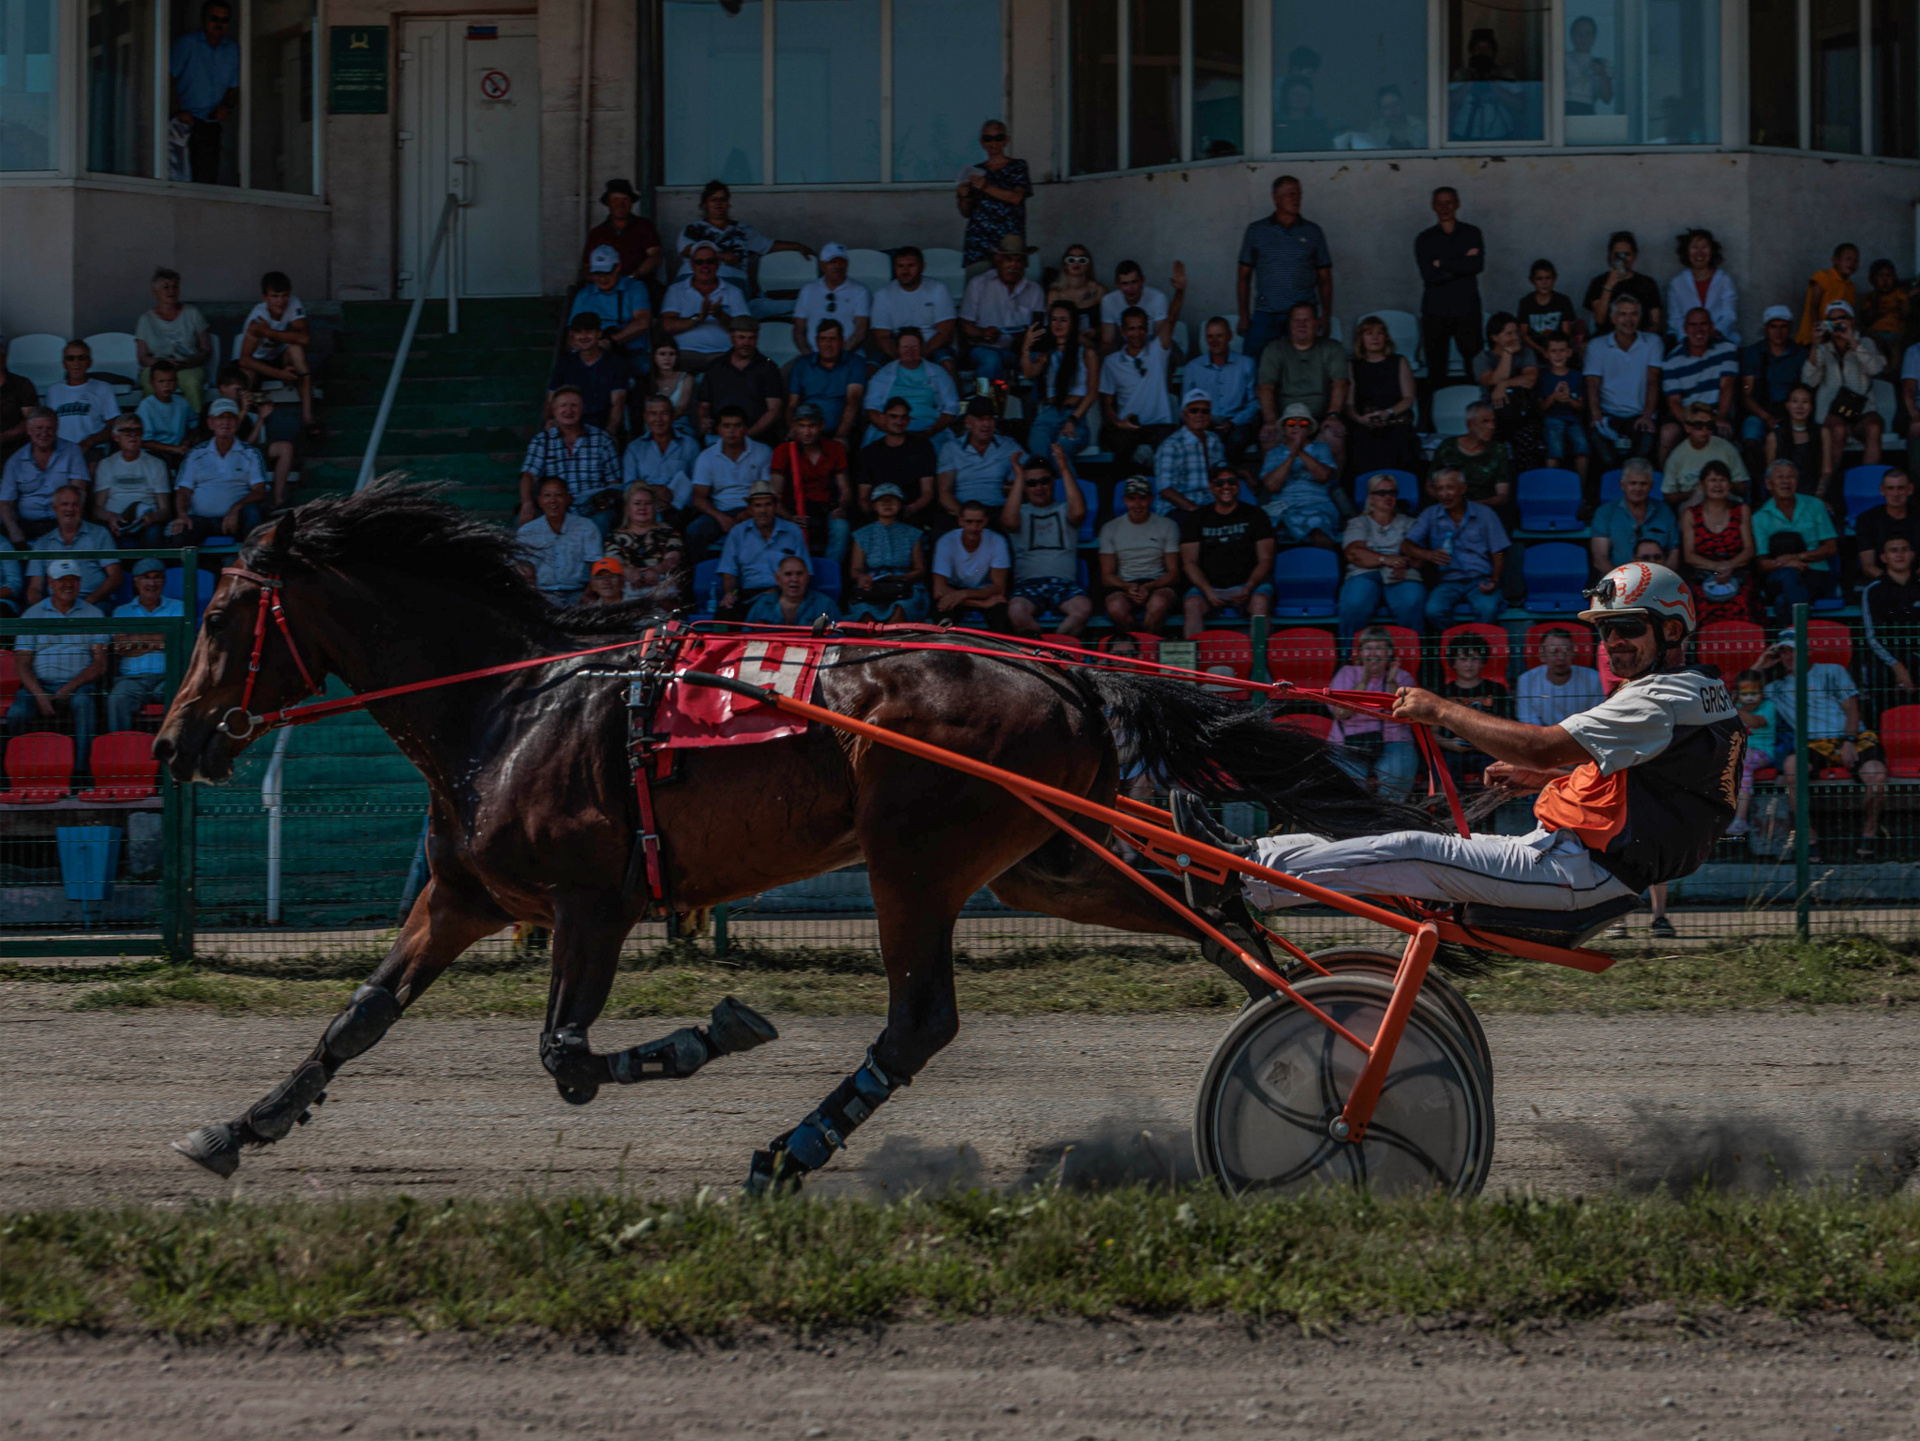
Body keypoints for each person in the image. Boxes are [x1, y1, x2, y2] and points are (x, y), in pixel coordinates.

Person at [1171, 562, 1743, 924]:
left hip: (1580, 872)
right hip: (1574, 857)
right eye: (1605, 629)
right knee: (1389, 840)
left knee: (1413, 850)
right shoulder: (1697, 692)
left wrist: (1440, 709)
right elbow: (1654, 784)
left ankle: (1241, 877)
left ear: (1672, 630)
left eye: (1627, 627)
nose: (1613, 641)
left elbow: (1543, 745)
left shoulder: (1660, 698)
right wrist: (1545, 781)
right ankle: (1245, 855)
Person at [1762, 632, 1888, 860]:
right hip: (1814, 743)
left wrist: (1849, 740)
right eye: (1783, 652)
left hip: (1852, 737)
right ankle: (1807, 835)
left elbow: (1852, 709)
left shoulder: (1832, 671)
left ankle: (1870, 830)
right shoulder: (1775, 687)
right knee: (1791, 768)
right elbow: (1738, 697)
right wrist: (1760, 665)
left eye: (1794, 650)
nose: (1789, 656)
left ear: (1808, 652)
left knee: (1877, 776)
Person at [7, 559, 109, 767]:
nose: (68, 585)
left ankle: (82, 772)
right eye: (62, 580)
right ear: (50, 583)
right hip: (40, 685)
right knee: (17, 713)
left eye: (73, 579)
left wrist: (68, 688)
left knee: (85, 704)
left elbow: (100, 663)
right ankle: (19, 771)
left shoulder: (93, 614)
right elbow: (22, 664)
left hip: (79, 687)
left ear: (80, 583)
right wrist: (39, 694)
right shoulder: (32, 614)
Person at [1237, 175, 1333, 356]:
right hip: (1266, 314)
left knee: (1303, 365)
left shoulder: (1313, 232)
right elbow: (1243, 277)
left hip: (1302, 317)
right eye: (1291, 194)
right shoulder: (1256, 231)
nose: (1297, 199)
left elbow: (1325, 279)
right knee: (1256, 362)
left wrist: (1325, 316)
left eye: (1299, 194)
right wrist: (1244, 316)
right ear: (1276, 197)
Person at [1100, 269, 1188, 461]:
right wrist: (1118, 422)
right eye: (1131, 329)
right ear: (1123, 332)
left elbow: (1171, 318)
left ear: (1147, 329)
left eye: (1141, 328)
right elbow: (1107, 404)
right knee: (1121, 456)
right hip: (1128, 427)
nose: (1137, 333)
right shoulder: (1111, 362)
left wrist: (1180, 291)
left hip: (1159, 425)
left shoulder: (1158, 351)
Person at [674, 179, 812, 301]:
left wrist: (798, 246)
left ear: (728, 203)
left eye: (723, 199)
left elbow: (768, 246)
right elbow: (687, 250)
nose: (718, 204)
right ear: (705, 204)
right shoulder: (693, 228)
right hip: (694, 278)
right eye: (713, 200)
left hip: (732, 280)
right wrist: (720, 256)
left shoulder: (743, 230)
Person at [1002, 450, 1091, 636]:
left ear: (1053, 482)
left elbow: (1079, 512)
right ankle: (1044, 648)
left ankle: (1054, 647)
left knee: (1082, 608)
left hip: (1063, 584)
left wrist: (1063, 468)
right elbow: (1008, 521)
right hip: (1027, 585)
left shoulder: (1066, 509)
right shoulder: (1019, 512)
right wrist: (1019, 477)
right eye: (1031, 483)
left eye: (1044, 481)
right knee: (1016, 611)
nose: (1039, 487)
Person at [1405, 467, 1510, 625]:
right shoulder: (1430, 514)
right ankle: (1457, 639)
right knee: (1433, 610)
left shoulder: (1485, 513)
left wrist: (1494, 579)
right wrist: (1429, 555)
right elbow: (1406, 545)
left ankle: (1477, 640)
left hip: (1479, 579)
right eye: (1440, 489)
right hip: (1448, 581)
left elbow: (1498, 552)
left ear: (1462, 488)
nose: (1444, 494)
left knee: (1487, 608)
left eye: (1450, 488)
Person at [1179, 467, 1276, 637]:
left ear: (1238, 485)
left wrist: (1249, 587)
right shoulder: (1197, 517)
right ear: (1211, 487)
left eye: (1231, 482)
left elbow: (1266, 559)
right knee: (1192, 604)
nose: (1226, 487)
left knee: (1260, 602)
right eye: (1219, 483)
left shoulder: (1256, 515)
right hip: (1209, 587)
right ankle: (1193, 654)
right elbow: (1189, 562)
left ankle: (1258, 653)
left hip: (1249, 585)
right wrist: (1207, 591)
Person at [1327, 628, 1420, 802]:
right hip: (1348, 742)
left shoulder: (1402, 677)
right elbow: (1340, 713)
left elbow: (1405, 711)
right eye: (1368, 648)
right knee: (1349, 785)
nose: (1373, 654)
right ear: (1360, 653)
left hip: (1393, 741)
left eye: (1379, 648)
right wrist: (1363, 682)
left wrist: (1391, 682)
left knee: (1395, 776)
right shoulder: (1346, 673)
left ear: (1389, 653)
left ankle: (1388, 815)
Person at [1415, 187, 1486, 413]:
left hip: (1467, 309)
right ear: (1433, 206)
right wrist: (1461, 263)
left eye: (1449, 202)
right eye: (1439, 203)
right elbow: (1430, 275)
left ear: (1457, 204)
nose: (1444, 207)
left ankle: (1479, 414)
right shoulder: (1425, 238)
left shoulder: (1471, 233)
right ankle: (1435, 418)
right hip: (1435, 311)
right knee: (1436, 369)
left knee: (1475, 366)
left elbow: (1476, 265)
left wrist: (1443, 262)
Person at [1801, 299, 1885, 488]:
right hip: (1832, 411)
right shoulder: (1823, 347)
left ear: (1852, 321)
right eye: (1833, 320)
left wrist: (1853, 342)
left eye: (1842, 318)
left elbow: (1875, 368)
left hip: (1862, 410)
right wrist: (1814, 346)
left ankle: (1868, 486)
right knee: (1837, 430)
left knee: (1874, 427)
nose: (1838, 323)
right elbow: (1809, 380)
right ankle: (1827, 488)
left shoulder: (1865, 343)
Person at [1256, 300, 1350, 467]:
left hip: (1321, 418)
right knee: (1269, 437)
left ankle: (1333, 483)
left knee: (1335, 435)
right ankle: (1275, 484)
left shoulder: (1333, 348)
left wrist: (1333, 415)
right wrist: (1271, 421)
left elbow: (1340, 383)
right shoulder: (1274, 349)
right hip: (1285, 420)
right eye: (1296, 320)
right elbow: (1265, 387)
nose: (1301, 324)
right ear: (1289, 324)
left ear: (1316, 323)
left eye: (1307, 319)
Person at [516, 387, 621, 530]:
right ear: (553, 410)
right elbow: (529, 475)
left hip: (592, 510)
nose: (568, 410)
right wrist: (527, 503)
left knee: (604, 519)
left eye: (574, 405)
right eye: (563, 406)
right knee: (524, 521)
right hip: (554, 509)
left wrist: (607, 499)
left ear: (582, 409)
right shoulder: (542, 441)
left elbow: (614, 482)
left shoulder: (602, 439)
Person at [1751, 459, 1840, 625]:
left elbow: (1830, 548)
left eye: (1790, 477)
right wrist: (1787, 564)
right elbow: (1762, 564)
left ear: (1797, 482)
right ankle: (1800, 634)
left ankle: (1790, 636)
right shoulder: (1759, 517)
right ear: (1769, 484)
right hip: (1778, 576)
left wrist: (1797, 557)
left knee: (1782, 601)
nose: (1786, 481)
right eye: (1780, 477)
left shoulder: (1815, 505)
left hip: (1814, 574)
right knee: (1789, 575)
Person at [1337, 471, 1424, 639]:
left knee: (1411, 602)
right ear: (1370, 497)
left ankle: (1411, 655)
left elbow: (1419, 558)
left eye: (1392, 492)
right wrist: (1386, 559)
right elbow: (1354, 553)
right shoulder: (1359, 522)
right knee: (1354, 605)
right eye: (1381, 493)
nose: (1388, 497)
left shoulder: (1409, 523)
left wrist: (1404, 563)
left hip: (1402, 573)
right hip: (1364, 573)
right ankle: (1350, 654)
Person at [168, 398, 264, 541]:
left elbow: (259, 490)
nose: (226, 422)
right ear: (211, 423)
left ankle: (250, 555)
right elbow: (183, 490)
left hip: (236, 520)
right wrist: (182, 515)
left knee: (252, 513)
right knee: (180, 531)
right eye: (220, 417)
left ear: (237, 423)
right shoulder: (195, 454)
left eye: (230, 418)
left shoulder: (251, 454)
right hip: (201, 519)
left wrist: (236, 508)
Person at [1584, 294, 1663, 468]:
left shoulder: (1652, 342)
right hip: (1609, 415)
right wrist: (1596, 417)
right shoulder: (1597, 345)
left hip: (1640, 415)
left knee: (1640, 461)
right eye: (1622, 314)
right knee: (1607, 461)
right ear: (1612, 318)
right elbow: (1592, 383)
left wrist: (1647, 416)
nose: (1628, 320)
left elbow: (1653, 380)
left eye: (1634, 314)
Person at [769, 403, 852, 563]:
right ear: (795, 426)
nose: (806, 432)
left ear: (821, 426)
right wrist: (790, 517)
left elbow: (845, 489)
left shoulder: (835, 449)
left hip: (825, 507)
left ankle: (830, 569)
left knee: (841, 528)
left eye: (812, 426)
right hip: (794, 510)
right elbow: (775, 494)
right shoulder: (783, 450)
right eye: (801, 426)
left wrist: (841, 507)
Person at [107, 559, 183, 731]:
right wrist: (161, 641)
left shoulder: (178, 607)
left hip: (168, 677)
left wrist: (135, 640)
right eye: (146, 578)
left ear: (164, 580)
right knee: (117, 698)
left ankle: (174, 745)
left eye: (157, 577)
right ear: (136, 581)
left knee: (179, 696)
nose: (152, 583)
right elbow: (121, 646)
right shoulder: (122, 611)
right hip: (132, 679)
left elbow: (178, 642)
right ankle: (120, 746)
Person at [686, 406, 773, 555]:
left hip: (755, 509)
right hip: (720, 510)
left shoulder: (762, 451)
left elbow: (767, 491)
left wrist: (748, 512)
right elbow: (698, 497)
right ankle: (700, 570)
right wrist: (721, 518)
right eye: (726, 426)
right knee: (693, 531)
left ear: (745, 428)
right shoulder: (707, 457)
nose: (732, 431)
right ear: (718, 429)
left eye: (737, 425)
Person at [1098, 475, 1182, 631]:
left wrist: (1149, 587)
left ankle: (1146, 642)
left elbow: (1173, 573)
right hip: (1125, 583)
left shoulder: (1168, 526)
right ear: (1125, 500)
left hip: (1157, 582)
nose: (1137, 504)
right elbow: (1107, 576)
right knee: (1115, 607)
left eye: (1142, 498)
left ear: (1150, 499)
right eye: (1132, 498)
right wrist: (1127, 587)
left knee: (1158, 603)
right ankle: (1134, 640)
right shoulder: (1110, 528)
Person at [959, 234, 1046, 384]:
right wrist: (983, 333)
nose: (1014, 265)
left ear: (1025, 263)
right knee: (991, 360)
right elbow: (965, 325)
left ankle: (1040, 400)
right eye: (1009, 259)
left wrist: (1025, 337)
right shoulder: (979, 284)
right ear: (998, 260)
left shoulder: (1035, 290)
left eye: (1019, 260)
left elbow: (1040, 330)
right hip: (985, 348)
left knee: (1042, 359)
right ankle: (986, 398)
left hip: (1020, 351)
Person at [236, 272, 317, 431]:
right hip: (256, 363)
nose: (281, 301)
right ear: (264, 297)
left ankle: (308, 418)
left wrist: (268, 332)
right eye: (275, 296)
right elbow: (245, 360)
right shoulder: (257, 318)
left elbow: (304, 338)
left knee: (296, 350)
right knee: (246, 375)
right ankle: (243, 423)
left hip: (278, 358)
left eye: (284, 295)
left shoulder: (293, 303)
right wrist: (279, 374)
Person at [1343, 315, 1422, 476]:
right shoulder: (1353, 365)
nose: (1375, 337)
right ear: (1361, 339)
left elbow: (1408, 399)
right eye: (1369, 333)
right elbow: (1349, 404)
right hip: (1365, 422)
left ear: (1386, 337)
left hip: (1395, 419)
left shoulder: (1399, 361)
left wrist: (1388, 412)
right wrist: (1359, 419)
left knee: (1400, 441)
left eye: (1380, 333)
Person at [1020, 301, 1100, 460]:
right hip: (1048, 414)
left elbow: (1092, 393)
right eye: (1054, 319)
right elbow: (1029, 373)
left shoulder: (1086, 353)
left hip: (1074, 414)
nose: (1057, 324)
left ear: (1072, 323)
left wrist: (1072, 420)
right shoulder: (1047, 354)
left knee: (1059, 454)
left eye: (1063, 320)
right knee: (1038, 456)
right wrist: (1026, 347)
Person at [714, 481, 806, 618]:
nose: (763, 510)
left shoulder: (793, 531)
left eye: (768, 504)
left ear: (776, 506)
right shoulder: (737, 532)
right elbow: (729, 570)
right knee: (724, 614)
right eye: (758, 505)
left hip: (783, 592)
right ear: (750, 509)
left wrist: (783, 590)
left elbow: (804, 570)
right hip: (749, 594)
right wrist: (729, 594)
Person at [170, 0, 238, 184]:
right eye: (214, 18)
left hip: (210, 123)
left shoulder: (232, 50)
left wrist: (226, 107)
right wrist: (177, 111)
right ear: (203, 19)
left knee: (207, 180)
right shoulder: (187, 44)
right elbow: (167, 78)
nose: (219, 24)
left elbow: (234, 86)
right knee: (179, 180)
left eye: (224, 20)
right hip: (183, 123)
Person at [1681, 460, 1757, 625]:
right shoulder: (1690, 514)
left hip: (1736, 573)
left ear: (1729, 485)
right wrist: (1716, 568)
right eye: (1713, 480)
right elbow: (1689, 555)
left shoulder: (1741, 510)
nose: (1718, 485)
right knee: (1701, 604)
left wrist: (1729, 566)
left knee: (1742, 601)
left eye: (1722, 480)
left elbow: (1749, 549)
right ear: (1702, 485)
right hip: (1703, 575)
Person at [1436, 631, 1512, 792]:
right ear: (1453, 662)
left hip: (1488, 751)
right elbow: (1432, 733)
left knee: (1498, 773)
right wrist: (1450, 744)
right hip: (1452, 752)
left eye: (1474, 659)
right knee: (1441, 766)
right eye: (1463, 659)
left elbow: (1508, 727)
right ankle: (1452, 805)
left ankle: (1489, 804)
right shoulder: (1442, 692)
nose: (1468, 665)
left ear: (1482, 661)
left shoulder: (1496, 690)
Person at [1658, 307, 1738, 460]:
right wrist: (1692, 424)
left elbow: (1727, 387)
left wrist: (1720, 418)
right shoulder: (1672, 360)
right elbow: (1674, 401)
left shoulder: (1727, 349)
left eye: (1703, 324)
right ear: (1685, 329)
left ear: (1711, 327)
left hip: (1716, 414)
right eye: (1693, 325)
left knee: (1723, 434)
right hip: (1686, 416)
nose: (1698, 330)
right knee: (1668, 433)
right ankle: (1665, 474)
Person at [658, 240, 752, 370]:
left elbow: (745, 329)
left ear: (718, 264)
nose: (705, 266)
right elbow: (667, 326)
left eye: (710, 261)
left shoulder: (734, 291)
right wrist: (698, 318)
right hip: (684, 354)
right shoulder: (675, 290)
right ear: (692, 265)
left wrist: (720, 315)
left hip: (723, 354)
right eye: (699, 262)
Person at [1, 410, 90, 544]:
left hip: (62, 523)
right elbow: (5, 503)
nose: (44, 433)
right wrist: (15, 534)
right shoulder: (15, 461)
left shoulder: (72, 452)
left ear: (56, 429)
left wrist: (68, 529)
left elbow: (78, 493)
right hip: (26, 526)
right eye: (39, 428)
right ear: (28, 430)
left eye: (49, 428)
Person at [24, 484, 119, 608]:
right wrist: (43, 610)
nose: (70, 509)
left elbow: (115, 577)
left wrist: (87, 604)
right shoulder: (42, 544)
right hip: (56, 607)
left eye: (75, 504)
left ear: (81, 507)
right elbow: (35, 588)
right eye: (64, 504)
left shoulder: (100, 534)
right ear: (55, 508)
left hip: (95, 603)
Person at [1259, 404, 1341, 546]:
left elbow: (1323, 477)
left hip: (1316, 504)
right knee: (1267, 533)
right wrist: (1292, 455)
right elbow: (1272, 485)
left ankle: (1326, 559)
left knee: (1318, 528)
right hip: (1283, 505)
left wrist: (1299, 450)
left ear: (1309, 428)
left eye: (1302, 423)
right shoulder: (1274, 453)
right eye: (1291, 423)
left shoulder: (1321, 448)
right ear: (1284, 427)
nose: (1296, 427)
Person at [845, 483, 929, 622]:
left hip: (904, 586)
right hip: (873, 586)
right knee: (865, 613)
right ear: (874, 505)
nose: (887, 504)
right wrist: (863, 578)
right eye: (882, 501)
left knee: (901, 609)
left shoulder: (913, 533)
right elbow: (855, 570)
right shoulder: (862, 534)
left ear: (900, 505)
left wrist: (903, 578)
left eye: (893, 500)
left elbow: (919, 569)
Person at [1473, 313, 1545, 473]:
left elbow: (1530, 379)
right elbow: (1492, 380)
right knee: (1492, 460)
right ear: (1494, 337)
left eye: (1516, 332)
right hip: (1494, 414)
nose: (1515, 337)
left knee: (1528, 457)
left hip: (1523, 412)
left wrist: (1504, 384)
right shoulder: (1482, 358)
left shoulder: (1526, 352)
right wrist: (1507, 353)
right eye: (1509, 334)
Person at [1739, 304, 1811, 463]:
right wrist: (1766, 417)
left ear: (1790, 328)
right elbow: (1746, 393)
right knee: (1751, 435)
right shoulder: (1753, 353)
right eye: (1773, 326)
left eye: (1783, 326)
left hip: (1792, 413)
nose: (1778, 332)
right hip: (1760, 412)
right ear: (1766, 328)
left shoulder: (1800, 354)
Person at [1183, 316, 1262, 459]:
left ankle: (1225, 470)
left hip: (1237, 422)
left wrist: (1234, 422)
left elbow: (1254, 403)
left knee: (1237, 440)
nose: (1214, 341)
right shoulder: (1193, 367)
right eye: (1210, 337)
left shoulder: (1246, 364)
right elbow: (1186, 404)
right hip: (1205, 420)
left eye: (1219, 336)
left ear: (1230, 336)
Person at [695, 317, 785, 442]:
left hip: (757, 439)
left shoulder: (768, 367)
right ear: (732, 337)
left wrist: (747, 436)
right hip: (719, 439)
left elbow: (774, 410)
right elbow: (704, 404)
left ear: (757, 339)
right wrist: (703, 419)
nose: (746, 343)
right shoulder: (716, 366)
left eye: (751, 338)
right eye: (741, 337)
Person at [956, 120, 1032, 267]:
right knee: (977, 280)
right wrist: (963, 196)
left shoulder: (1017, 166)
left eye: (998, 138)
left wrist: (986, 187)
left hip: (1008, 242)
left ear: (1006, 140)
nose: (993, 143)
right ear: (982, 142)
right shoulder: (976, 171)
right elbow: (966, 212)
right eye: (988, 139)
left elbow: (1016, 197)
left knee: (1011, 279)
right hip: (978, 242)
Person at [515, 477, 601, 605]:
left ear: (568, 499)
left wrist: (589, 593)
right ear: (539, 501)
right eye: (547, 495)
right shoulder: (527, 531)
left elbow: (596, 564)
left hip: (579, 593)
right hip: (542, 594)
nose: (553, 500)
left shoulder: (586, 527)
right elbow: (521, 567)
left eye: (558, 495)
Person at [134, 267, 212, 407]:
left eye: (175, 287)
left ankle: (194, 419)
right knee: (151, 384)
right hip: (157, 367)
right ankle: (152, 419)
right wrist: (163, 364)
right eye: (166, 287)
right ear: (155, 291)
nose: (171, 291)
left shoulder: (192, 313)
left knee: (192, 383)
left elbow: (206, 349)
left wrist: (192, 361)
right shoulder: (146, 319)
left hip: (188, 366)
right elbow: (142, 357)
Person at [936, 398, 1025, 519]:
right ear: (968, 422)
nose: (986, 424)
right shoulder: (951, 448)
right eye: (981, 419)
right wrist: (969, 519)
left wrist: (1016, 484)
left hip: (999, 512)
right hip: (962, 512)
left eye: (990, 419)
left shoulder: (1008, 446)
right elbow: (944, 492)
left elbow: (1031, 471)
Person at [546, 312, 634, 436]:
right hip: (569, 427)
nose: (583, 336)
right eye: (578, 332)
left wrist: (609, 433)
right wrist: (549, 422)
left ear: (599, 333)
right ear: (573, 335)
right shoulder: (565, 363)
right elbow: (551, 400)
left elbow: (618, 403)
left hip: (601, 427)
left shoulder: (616, 363)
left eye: (589, 331)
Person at [868, 246, 958, 367]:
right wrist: (900, 358)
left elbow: (945, 332)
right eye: (900, 266)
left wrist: (919, 355)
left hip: (932, 346)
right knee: (871, 367)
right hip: (896, 348)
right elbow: (882, 336)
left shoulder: (938, 289)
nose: (905, 271)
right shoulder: (883, 294)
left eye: (911, 265)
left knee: (947, 364)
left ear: (922, 267)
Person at [930, 500, 1013, 630]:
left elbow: (999, 587)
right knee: (942, 612)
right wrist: (981, 604)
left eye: (979, 522)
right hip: (957, 592)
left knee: (1001, 613)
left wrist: (963, 595)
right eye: (969, 521)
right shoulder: (946, 541)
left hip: (982, 591)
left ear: (985, 521)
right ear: (960, 521)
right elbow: (939, 589)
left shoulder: (997, 540)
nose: (974, 527)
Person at [864, 327, 961, 437]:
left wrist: (933, 430)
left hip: (927, 425)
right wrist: (889, 431)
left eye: (914, 347)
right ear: (898, 349)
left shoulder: (938, 372)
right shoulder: (883, 374)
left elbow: (951, 406)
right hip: (892, 426)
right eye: (905, 347)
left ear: (921, 348)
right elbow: (871, 406)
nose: (909, 351)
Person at [92, 416, 172, 548]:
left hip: (146, 523)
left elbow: (165, 509)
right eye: (127, 431)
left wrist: (152, 517)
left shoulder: (157, 464)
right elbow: (98, 508)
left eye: (137, 431)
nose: (133, 435)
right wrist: (110, 517)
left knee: (154, 533)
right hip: (115, 522)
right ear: (115, 436)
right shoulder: (106, 465)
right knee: (103, 534)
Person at [1861, 533, 1920, 712]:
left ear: (1912, 555)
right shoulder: (1873, 591)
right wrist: (1897, 666)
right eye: (1893, 551)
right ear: (1883, 557)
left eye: (1904, 550)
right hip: (1886, 658)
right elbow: (1872, 637)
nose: (1899, 554)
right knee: (1880, 677)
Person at [786, 319, 869, 445]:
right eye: (823, 339)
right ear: (817, 341)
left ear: (842, 341)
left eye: (832, 339)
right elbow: (792, 404)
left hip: (840, 430)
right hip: (806, 430)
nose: (828, 344)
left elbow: (853, 401)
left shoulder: (855, 363)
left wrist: (841, 435)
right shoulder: (802, 364)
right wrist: (794, 429)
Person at [1724, 667, 1783, 841]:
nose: (1749, 698)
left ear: (1762, 691)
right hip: (1737, 752)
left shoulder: (1768, 706)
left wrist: (1733, 706)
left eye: (1754, 692)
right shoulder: (1736, 707)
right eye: (1744, 693)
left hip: (1762, 753)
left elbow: (1755, 722)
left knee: (1744, 762)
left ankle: (1740, 819)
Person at [856, 397, 939, 519]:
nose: (899, 421)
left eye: (903, 417)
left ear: (909, 420)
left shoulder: (922, 447)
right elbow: (863, 496)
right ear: (883, 418)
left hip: (914, 514)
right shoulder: (869, 452)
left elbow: (928, 491)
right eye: (893, 416)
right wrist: (880, 515)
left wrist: (911, 509)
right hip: (879, 515)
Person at [1591, 458, 1679, 571]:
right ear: (1622, 485)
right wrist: (1622, 580)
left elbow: (1674, 552)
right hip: (1618, 579)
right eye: (1633, 483)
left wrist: (1664, 578)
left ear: (1651, 486)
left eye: (1643, 484)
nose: (1638, 488)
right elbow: (1600, 559)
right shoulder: (1605, 513)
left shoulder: (1665, 512)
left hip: (1658, 579)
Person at [603, 483, 683, 606]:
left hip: (660, 584)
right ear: (627, 509)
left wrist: (655, 571)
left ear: (655, 507)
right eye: (637, 503)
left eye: (648, 503)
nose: (642, 508)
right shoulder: (614, 536)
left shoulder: (669, 532)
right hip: (627, 587)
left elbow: (672, 560)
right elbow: (615, 563)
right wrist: (631, 573)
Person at [1152, 390, 1230, 513]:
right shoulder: (1171, 445)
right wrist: (1196, 511)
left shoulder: (1214, 439)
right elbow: (1165, 489)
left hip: (1210, 506)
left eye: (1205, 411)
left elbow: (1222, 471)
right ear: (1184, 415)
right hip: (1178, 508)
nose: (1200, 415)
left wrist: (1243, 473)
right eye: (1194, 410)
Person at [1664, 400, 1751, 508]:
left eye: (1709, 425)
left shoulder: (1727, 448)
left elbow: (1743, 487)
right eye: (1698, 426)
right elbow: (1668, 495)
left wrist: (1719, 483)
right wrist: (1691, 493)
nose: (1704, 430)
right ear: (1687, 427)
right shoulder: (1676, 456)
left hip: (1725, 502)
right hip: (1693, 505)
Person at [1430, 401, 1513, 514]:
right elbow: (1430, 485)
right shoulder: (1448, 447)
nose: (1492, 427)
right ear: (1470, 424)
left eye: (1493, 421)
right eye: (1485, 421)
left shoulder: (1498, 451)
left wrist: (1470, 506)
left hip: (1484, 510)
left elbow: (1502, 495)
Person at [792, 242, 872, 355]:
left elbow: (861, 330)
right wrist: (808, 355)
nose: (838, 266)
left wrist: (842, 354)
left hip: (849, 354)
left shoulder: (860, 291)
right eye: (832, 262)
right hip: (813, 354)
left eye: (842, 262)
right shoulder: (808, 290)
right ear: (822, 265)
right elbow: (799, 329)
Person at [566, 247, 652, 353]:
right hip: (593, 353)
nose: (602, 279)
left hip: (631, 353)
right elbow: (571, 336)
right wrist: (589, 346)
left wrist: (611, 341)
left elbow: (643, 322)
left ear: (617, 267)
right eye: (597, 274)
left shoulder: (635, 288)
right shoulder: (584, 294)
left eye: (607, 273)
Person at [1583, 231, 1664, 339]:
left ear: (1634, 256)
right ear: (1610, 256)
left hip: (1641, 339)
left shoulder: (1647, 283)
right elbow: (1599, 320)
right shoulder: (1598, 282)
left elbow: (1655, 322)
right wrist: (1609, 285)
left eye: (1627, 254)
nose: (1622, 259)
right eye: (1618, 255)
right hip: (1607, 340)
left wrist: (1639, 341)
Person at [1448, 28, 1525, 141]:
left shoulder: (1505, 74)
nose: (1482, 52)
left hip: (1499, 132)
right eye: (1478, 49)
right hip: (1464, 132)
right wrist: (1471, 81)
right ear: (1472, 51)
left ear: (1493, 52)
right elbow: (1451, 103)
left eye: (1487, 49)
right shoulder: (1461, 74)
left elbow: (1519, 105)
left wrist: (1493, 83)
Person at [582, 178, 663, 286]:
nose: (621, 205)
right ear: (608, 203)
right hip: (605, 287)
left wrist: (634, 275)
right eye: (615, 200)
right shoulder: (597, 233)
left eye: (625, 199)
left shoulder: (644, 227)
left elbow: (655, 257)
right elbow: (587, 266)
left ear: (631, 203)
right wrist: (603, 280)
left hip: (638, 284)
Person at [1517, 629, 1605, 726]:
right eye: (1554, 652)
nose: (1561, 658)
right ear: (1542, 656)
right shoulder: (1527, 680)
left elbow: (1596, 719)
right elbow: (1528, 720)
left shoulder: (1593, 679)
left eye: (1566, 651)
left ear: (1573, 654)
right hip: (1542, 734)